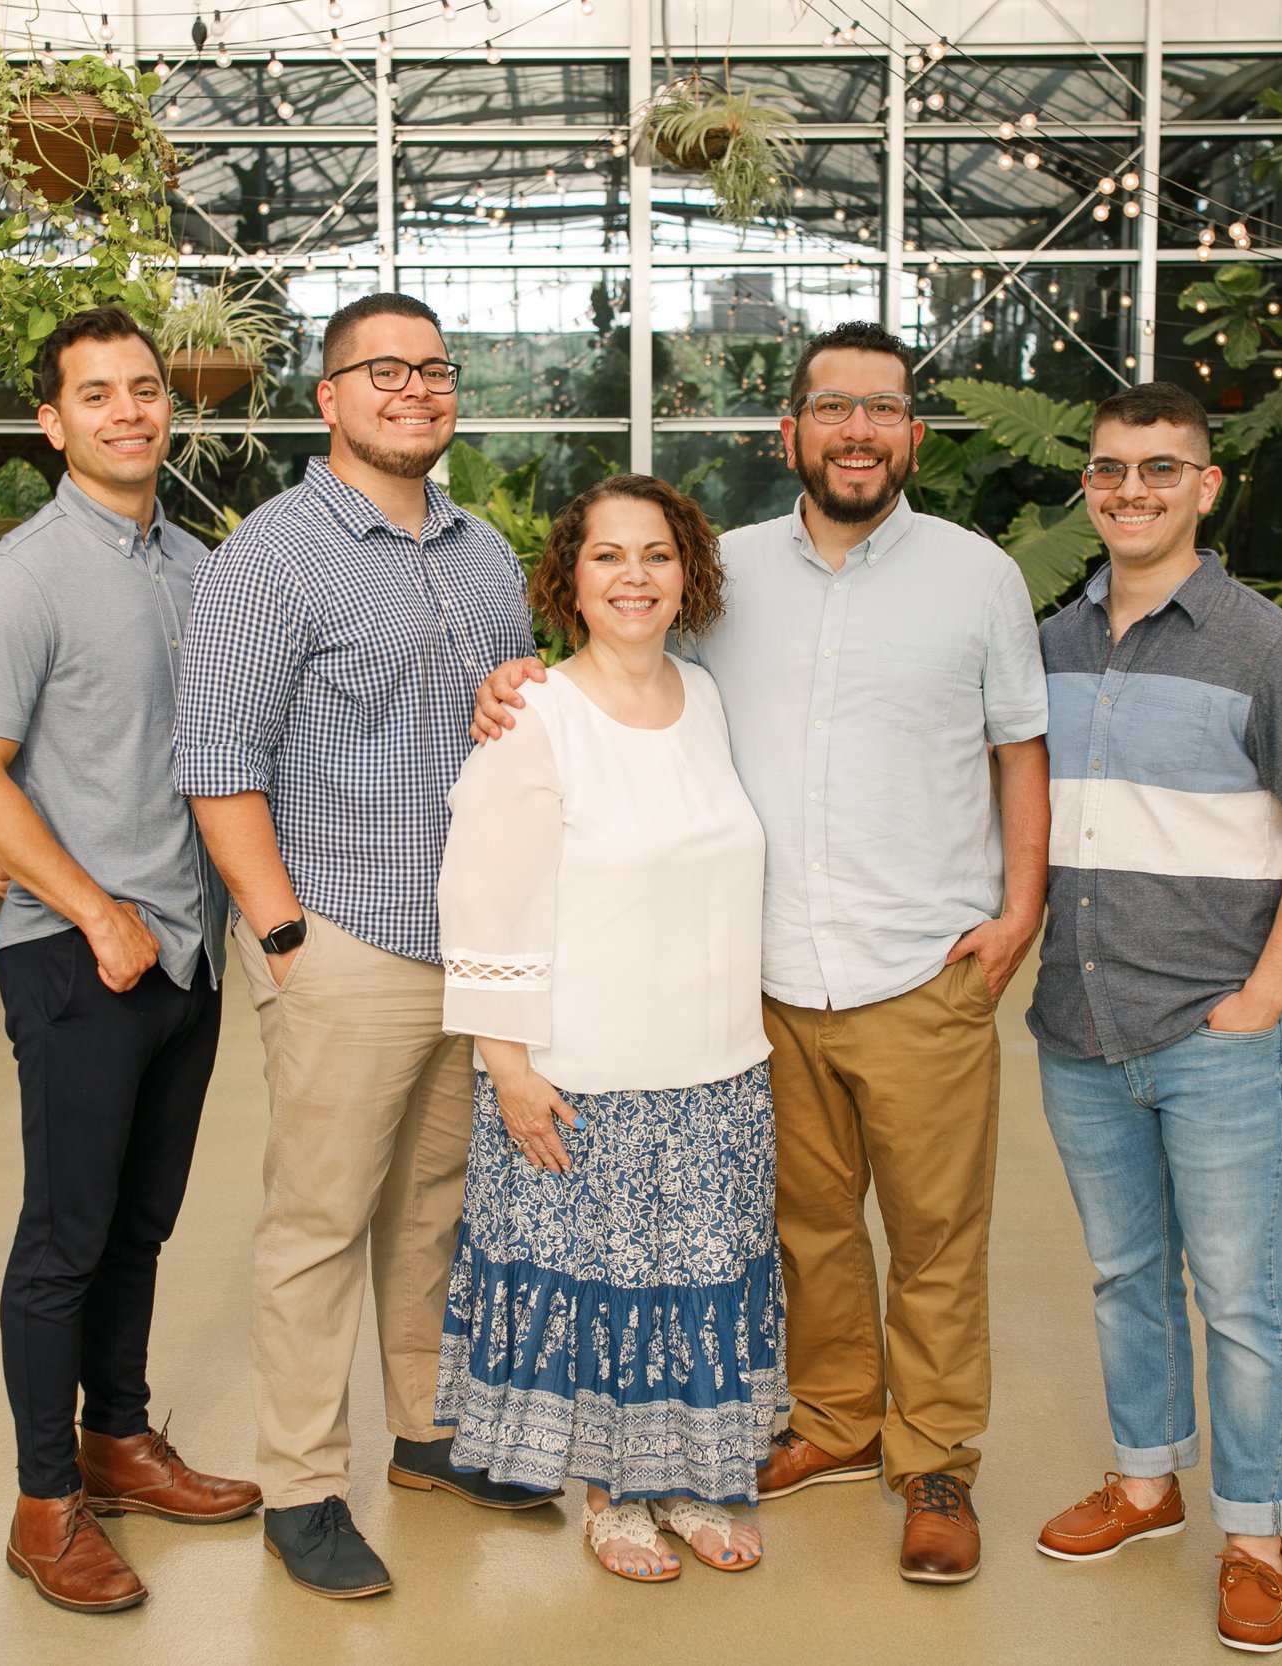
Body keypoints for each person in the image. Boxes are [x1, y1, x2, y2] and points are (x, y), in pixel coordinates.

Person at [474, 321, 1051, 1583]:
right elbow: (618, 673)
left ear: (912, 432)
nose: (858, 430)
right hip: (767, 985)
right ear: (788, 430)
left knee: (938, 1233)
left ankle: (935, 1458)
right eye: (832, 407)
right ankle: (837, 1421)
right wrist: (512, 684)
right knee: (807, 1231)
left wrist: (1019, 911)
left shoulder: (978, 577)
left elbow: (1019, 746)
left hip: (921, 970)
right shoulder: (714, 572)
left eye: (883, 409)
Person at [174, 292, 547, 1601]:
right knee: (319, 1223)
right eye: (382, 370)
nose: (415, 390)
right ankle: (303, 1484)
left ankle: (433, 1432)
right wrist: (280, 929)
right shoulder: (269, 557)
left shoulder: (482, 551)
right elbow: (219, 764)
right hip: (341, 937)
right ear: (327, 397)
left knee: (436, 1208)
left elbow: (513, 729)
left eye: (434, 370)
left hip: (468, 944)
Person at [1027, 381, 1282, 1655]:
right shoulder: (1052, 648)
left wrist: (1265, 997)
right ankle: (1142, 1483)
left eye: (1160, 470)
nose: (1130, 490)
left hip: (1214, 1032)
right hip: (1080, 1020)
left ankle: (1258, 1535)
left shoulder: (1268, 649)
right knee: (1123, 1276)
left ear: (1206, 488)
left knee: (1239, 1296)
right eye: (1110, 469)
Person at [0, 307, 261, 1616]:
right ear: (53, 423)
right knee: (64, 1235)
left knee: (143, 1218)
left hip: (186, 953)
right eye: (99, 394)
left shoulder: (192, 563)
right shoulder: (22, 574)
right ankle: (42, 1501)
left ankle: (117, 1440)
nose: (130, 411)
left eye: (145, 390)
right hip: (82, 959)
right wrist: (90, 905)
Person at [434, 475, 781, 1584]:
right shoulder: (536, 713)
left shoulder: (707, 697)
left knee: (687, 1285)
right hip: (587, 1074)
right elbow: (479, 896)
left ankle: (679, 1483)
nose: (634, 576)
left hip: (716, 1067)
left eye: (657, 555)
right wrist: (508, 1069)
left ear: (689, 574)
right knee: (604, 1298)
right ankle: (609, 1496)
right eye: (607, 557)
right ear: (568, 582)